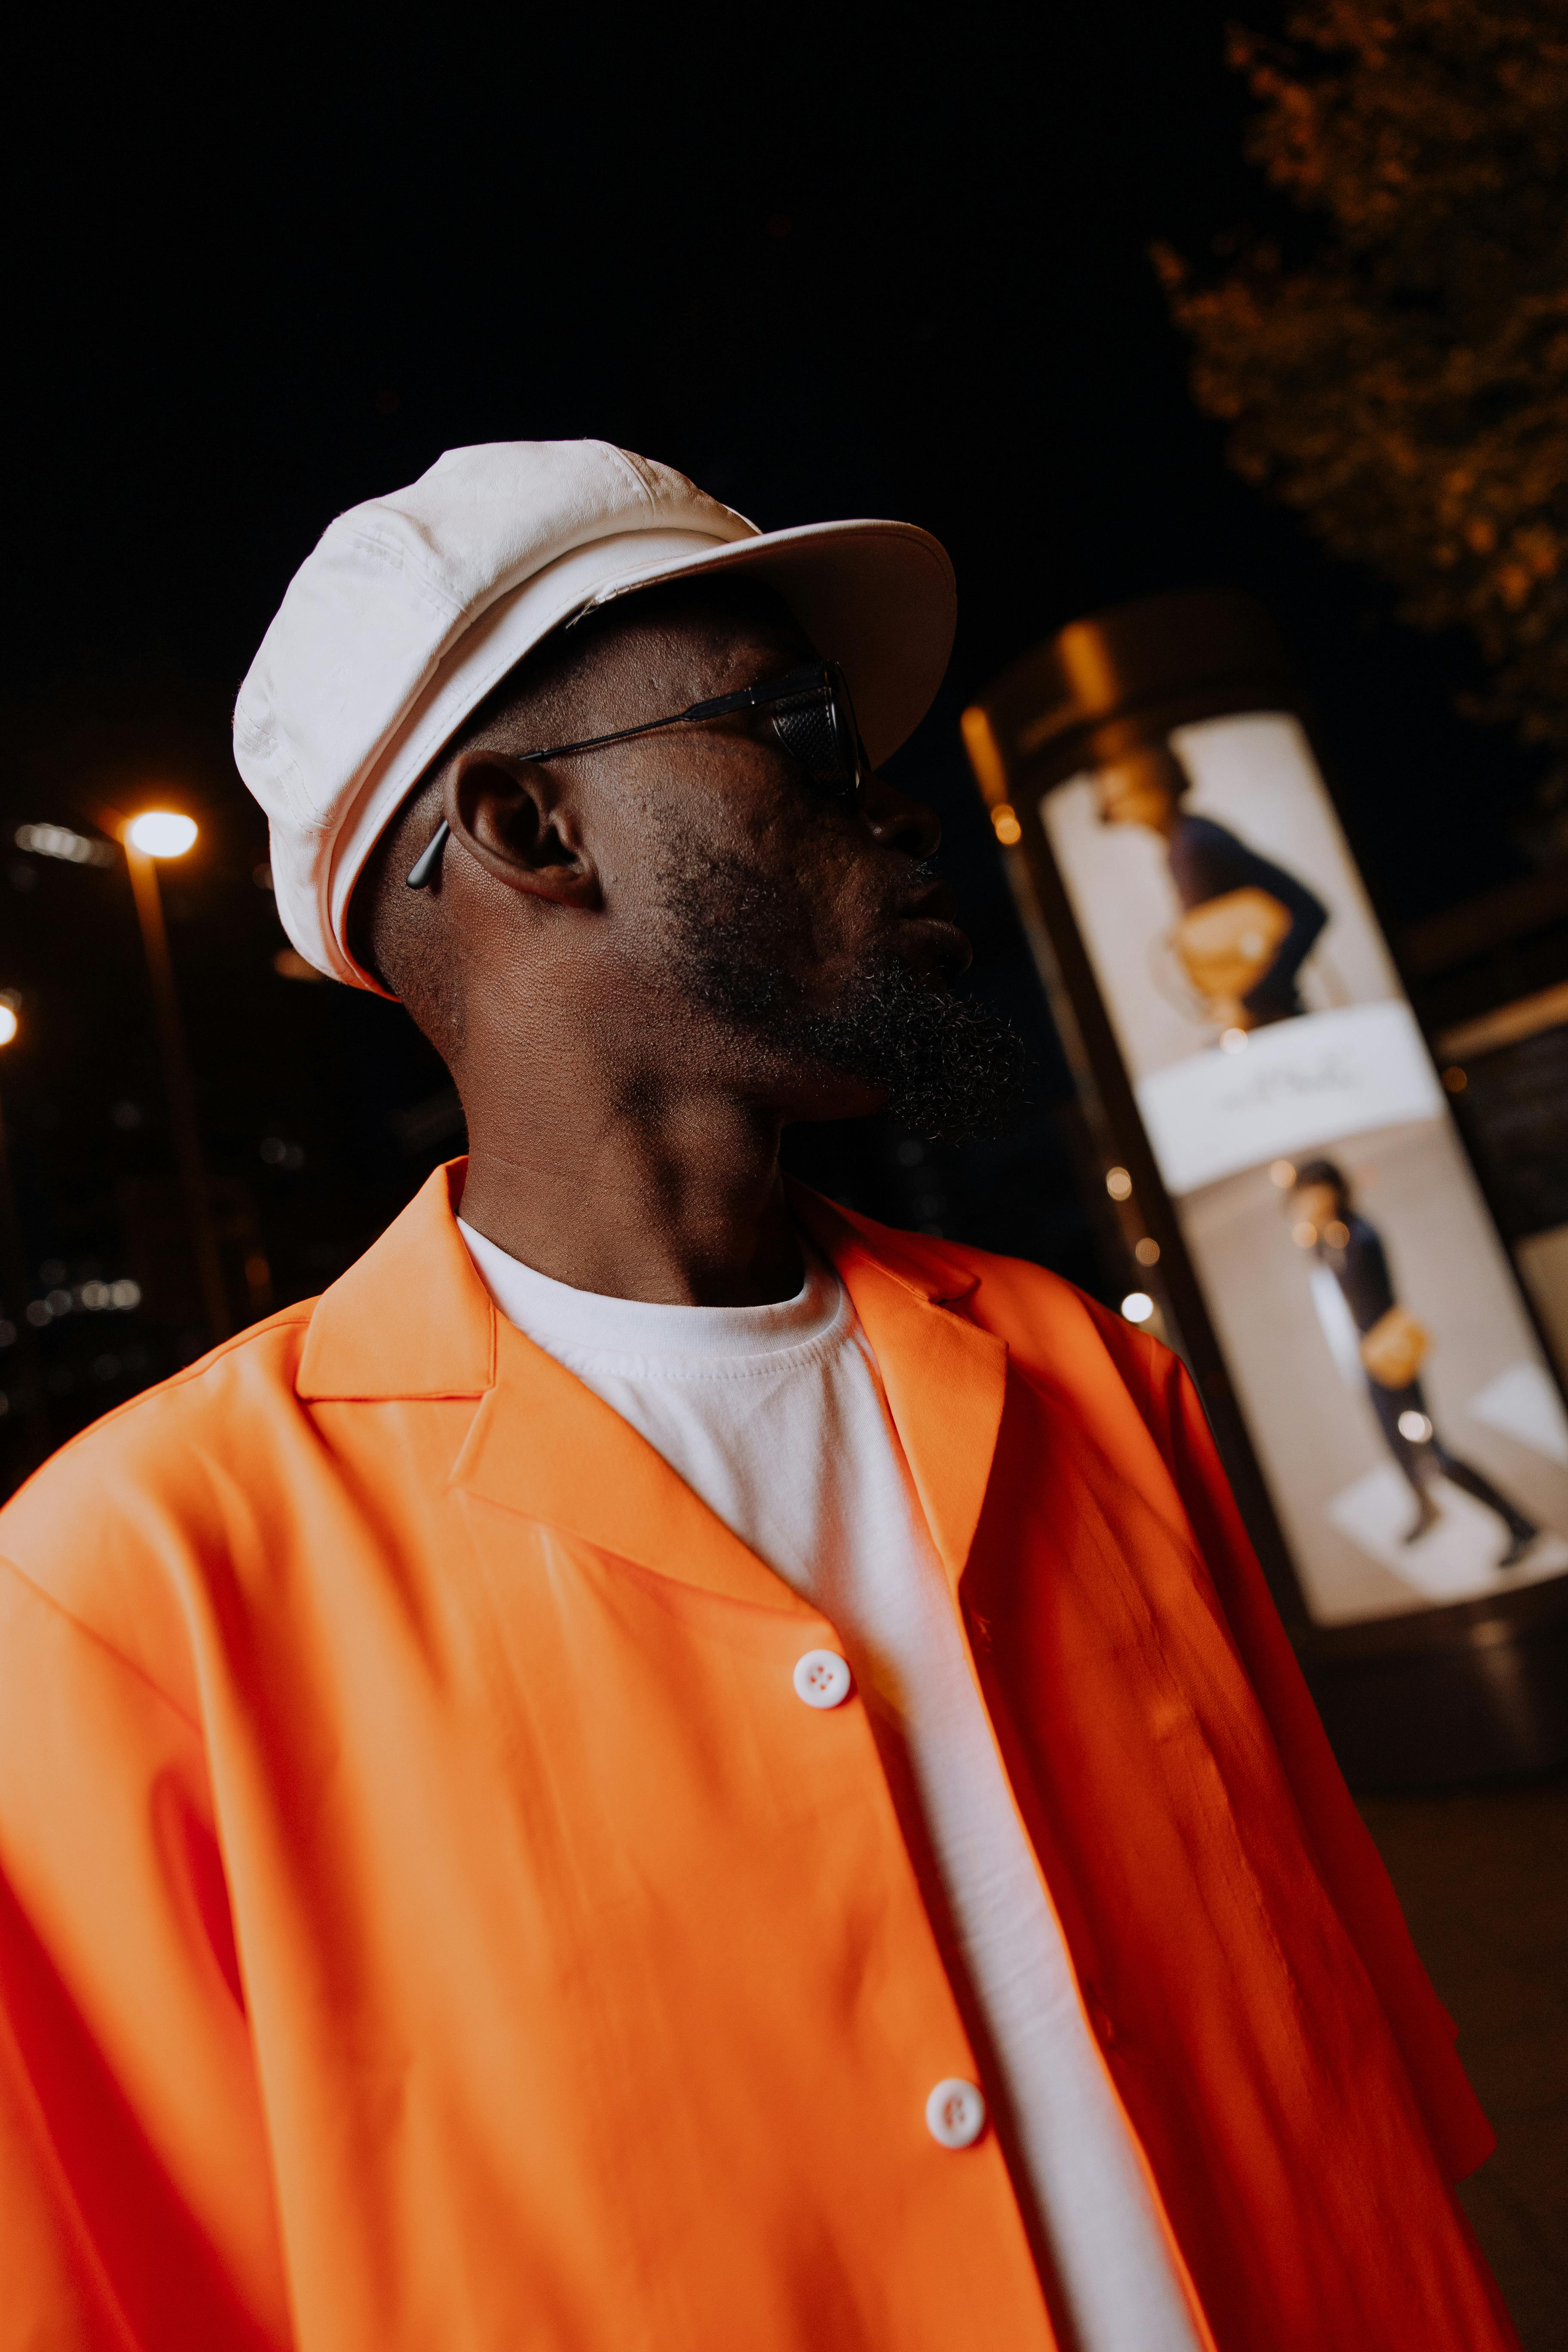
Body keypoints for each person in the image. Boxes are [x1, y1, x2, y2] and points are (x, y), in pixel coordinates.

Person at [0, 443, 1519, 2352]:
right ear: (532, 828)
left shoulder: (1088, 1374)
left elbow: (1363, 2080)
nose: (891, 801)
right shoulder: (123, 1594)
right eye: (794, 725)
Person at [1291, 1158, 1538, 1568]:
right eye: (1301, 1196)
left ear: (1333, 1192)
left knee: (1431, 1453)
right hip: (1366, 1367)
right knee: (1397, 1447)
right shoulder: (1327, 1238)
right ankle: (1427, 1510)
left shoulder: (1357, 1239)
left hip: (1391, 1364)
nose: (1305, 1203)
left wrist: (1322, 1237)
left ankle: (1518, 1524)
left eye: (1313, 1193)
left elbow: (1369, 1304)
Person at [1095, 741, 1328, 1029]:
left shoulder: (1196, 844)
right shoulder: (1185, 844)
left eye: (1120, 799)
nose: (1116, 814)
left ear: (1153, 788)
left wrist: (1250, 1001)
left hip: (1272, 1021)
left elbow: (1308, 911)